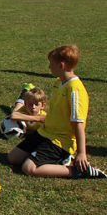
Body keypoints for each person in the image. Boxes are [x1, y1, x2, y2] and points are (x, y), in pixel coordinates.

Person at [8, 45, 106, 179]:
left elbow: (78, 124)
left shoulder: (75, 90)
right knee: (13, 158)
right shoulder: (59, 82)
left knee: (28, 168)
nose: (49, 67)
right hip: (45, 132)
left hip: (60, 140)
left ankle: (77, 170)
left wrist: (82, 153)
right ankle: (56, 160)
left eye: (51, 64)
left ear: (61, 65)